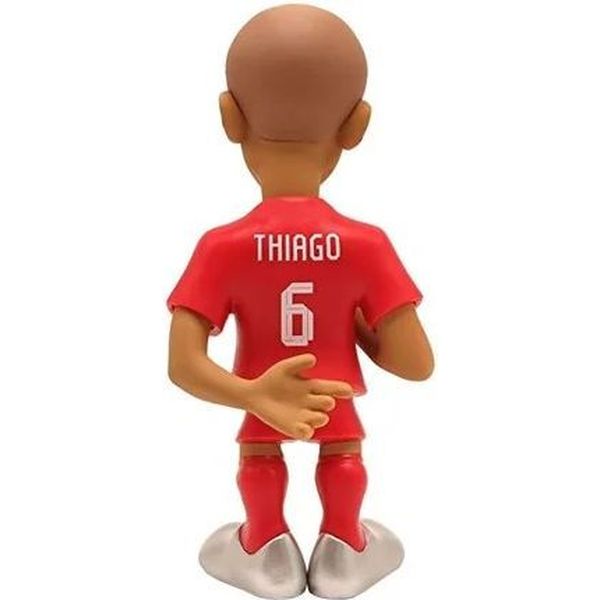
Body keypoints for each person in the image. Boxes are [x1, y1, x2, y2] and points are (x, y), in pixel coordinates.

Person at [167, 5, 434, 598]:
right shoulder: (366, 246)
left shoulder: (220, 247)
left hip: (259, 397)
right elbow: (416, 363)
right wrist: (355, 323)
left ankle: (266, 546)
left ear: (230, 117)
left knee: (259, 452)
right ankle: (344, 545)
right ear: (356, 126)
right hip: (334, 393)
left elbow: (182, 364)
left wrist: (253, 394)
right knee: (343, 451)